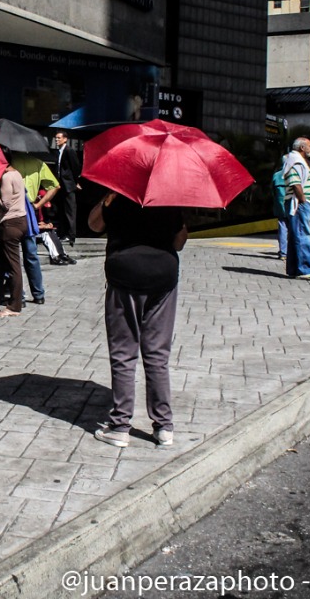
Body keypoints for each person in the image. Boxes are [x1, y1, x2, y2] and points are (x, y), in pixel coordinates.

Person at [90, 191, 187, 449]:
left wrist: (108, 197)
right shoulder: (167, 196)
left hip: (125, 278)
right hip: (163, 279)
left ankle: (120, 426)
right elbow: (179, 242)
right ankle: (164, 427)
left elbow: (94, 225)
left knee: (124, 352)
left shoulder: (118, 195)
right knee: (157, 354)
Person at [10, 152, 59, 303]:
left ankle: (18, 294)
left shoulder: (10, 163)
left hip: (12, 209)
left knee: (12, 256)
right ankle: (38, 294)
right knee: (31, 254)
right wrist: (38, 205)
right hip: (30, 211)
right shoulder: (38, 163)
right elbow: (55, 186)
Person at [0, 154, 28, 317]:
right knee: (2, 264)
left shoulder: (7, 177)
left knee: (12, 265)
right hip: (20, 220)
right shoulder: (18, 174)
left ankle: (14, 305)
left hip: (10, 222)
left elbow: (5, 203)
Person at [282, 137, 310, 281]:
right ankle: (304, 269)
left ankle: (294, 269)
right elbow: (296, 183)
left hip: (300, 203)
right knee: (303, 235)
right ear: (302, 148)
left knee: (295, 235)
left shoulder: (298, 160)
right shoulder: (295, 161)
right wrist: (303, 200)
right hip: (299, 203)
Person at [54, 130, 81, 245]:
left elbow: (76, 167)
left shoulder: (69, 151)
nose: (57, 140)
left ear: (65, 139)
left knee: (70, 210)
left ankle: (71, 235)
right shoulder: (58, 152)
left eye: (59, 138)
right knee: (62, 210)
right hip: (61, 185)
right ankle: (63, 233)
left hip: (69, 184)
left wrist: (75, 182)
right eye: (56, 138)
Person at [271, 157, 288, 260]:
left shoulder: (276, 175)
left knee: (282, 228)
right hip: (292, 205)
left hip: (280, 205)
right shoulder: (293, 174)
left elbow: (272, 191)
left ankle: (283, 252)